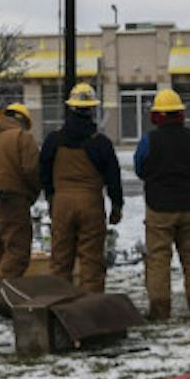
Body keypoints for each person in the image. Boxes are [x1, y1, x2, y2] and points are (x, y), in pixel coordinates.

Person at [133, 87, 190, 321]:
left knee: (158, 258)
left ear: (158, 115)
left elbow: (140, 167)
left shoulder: (150, 140)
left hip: (160, 208)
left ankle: (160, 310)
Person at [39, 83, 122, 293]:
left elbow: (44, 171)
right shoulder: (100, 142)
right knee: (92, 261)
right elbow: (113, 176)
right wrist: (116, 206)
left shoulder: (53, 139)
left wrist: (50, 197)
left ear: (71, 108)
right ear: (92, 109)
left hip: (62, 204)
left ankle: (60, 307)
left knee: (60, 260)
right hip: (91, 205)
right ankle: (91, 312)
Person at [0, 103, 41, 303]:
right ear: (22, 121)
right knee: (17, 250)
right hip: (12, 197)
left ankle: (1, 293)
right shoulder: (23, 137)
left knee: (1, 248)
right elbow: (31, 170)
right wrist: (32, 193)